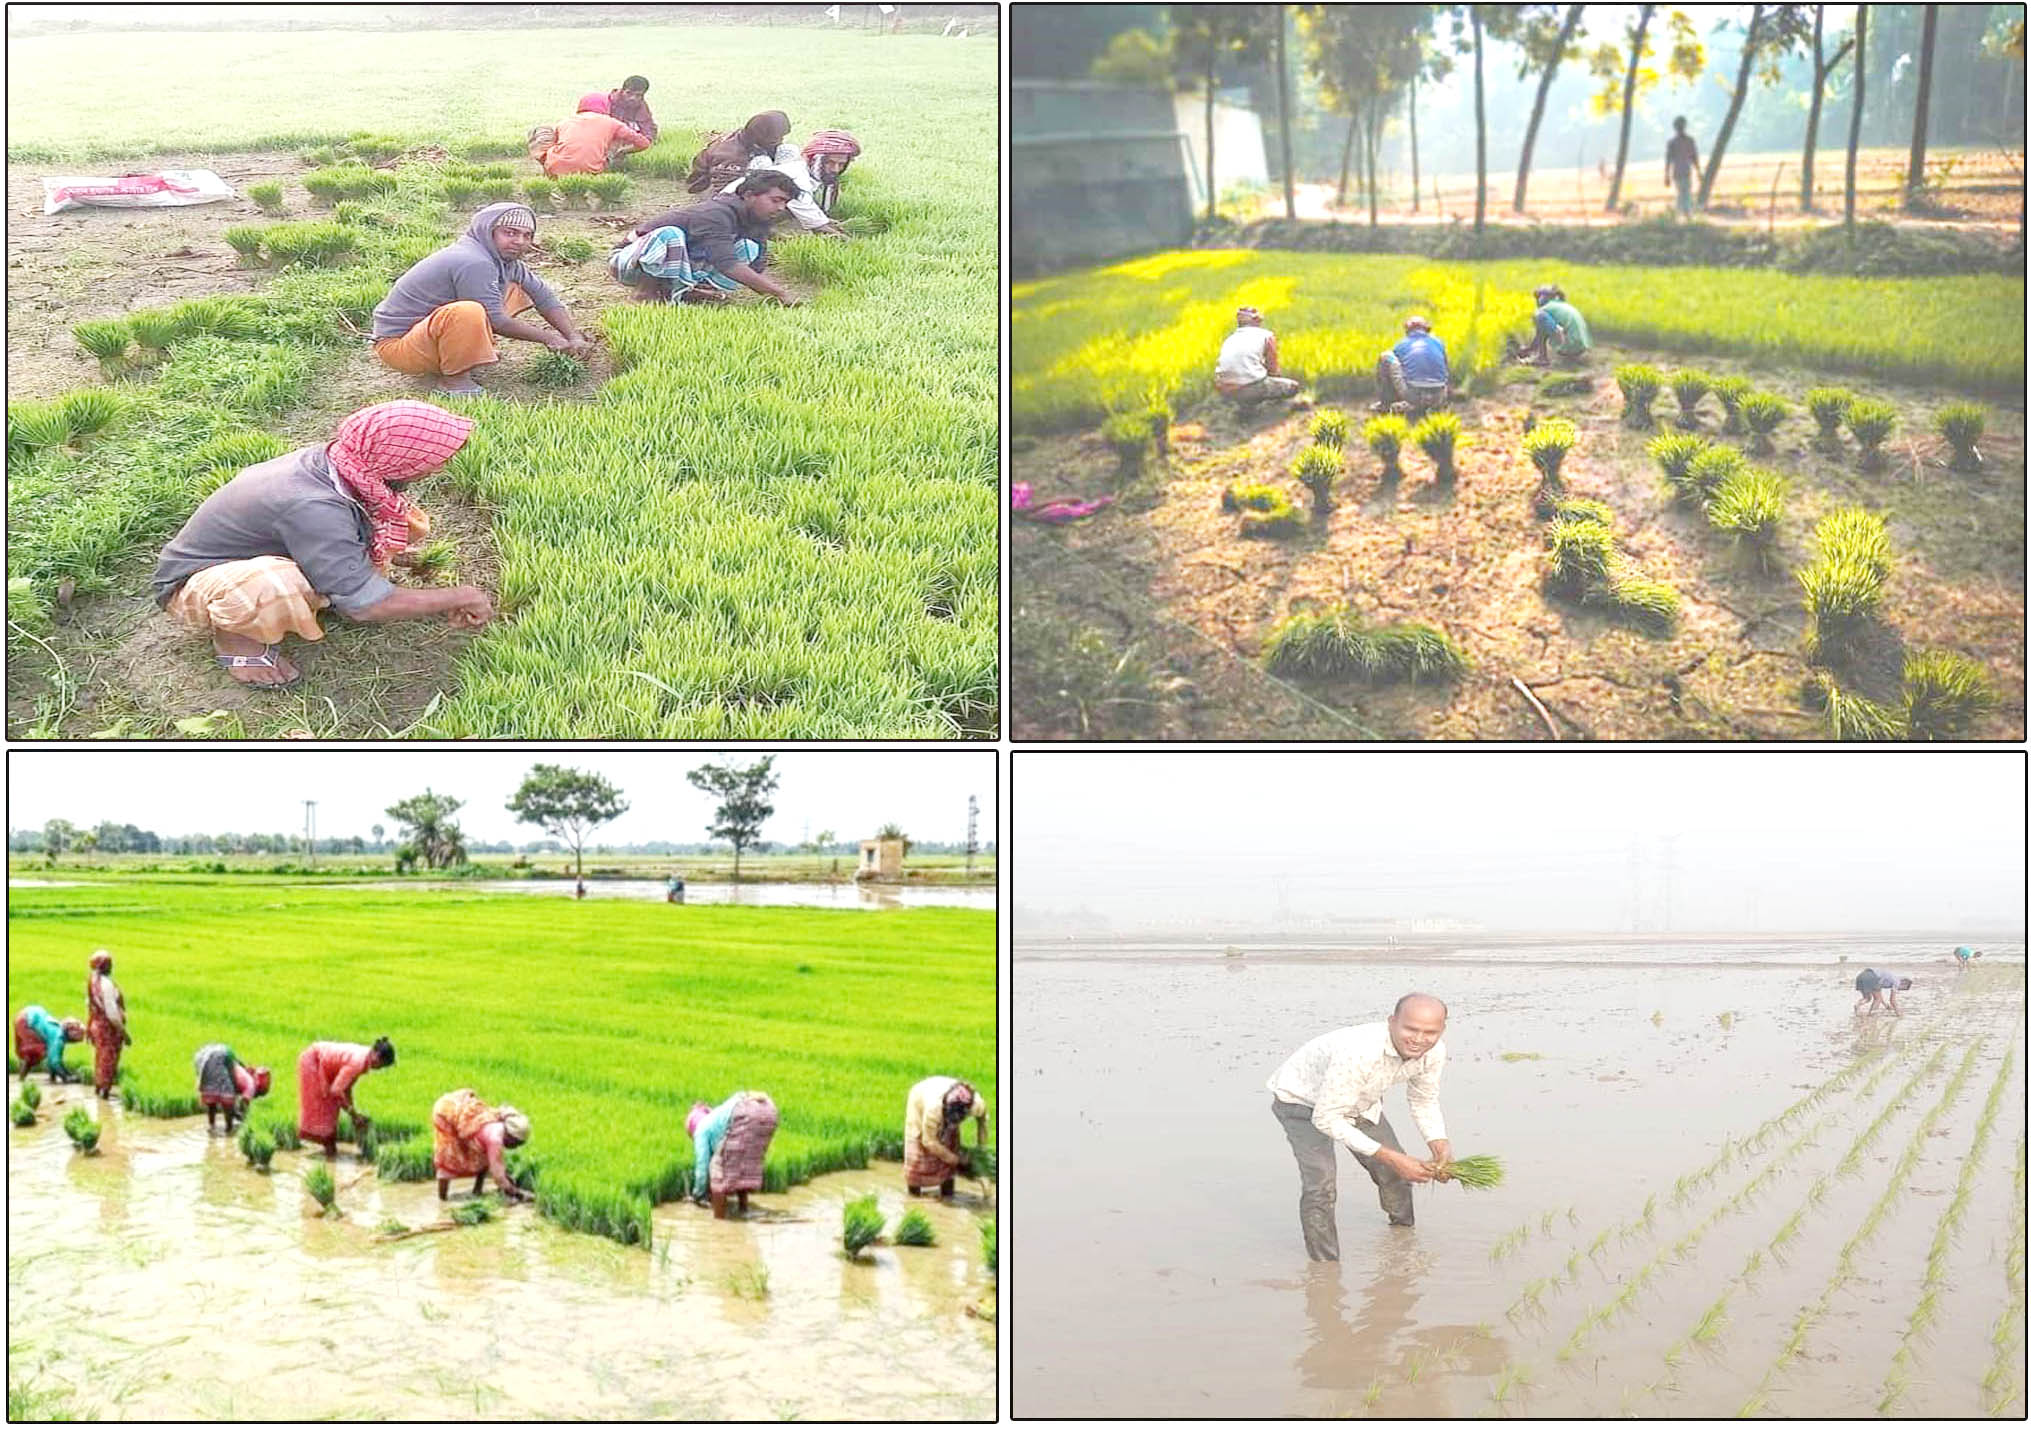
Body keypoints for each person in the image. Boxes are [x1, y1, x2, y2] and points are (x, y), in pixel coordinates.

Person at [153, 401, 496, 689]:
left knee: (405, 522)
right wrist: (460, 596)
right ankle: (235, 639)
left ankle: (321, 588)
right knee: (273, 585)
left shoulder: (344, 462)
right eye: (432, 459)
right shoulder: (312, 505)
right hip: (199, 581)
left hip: (264, 549)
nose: (438, 467)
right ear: (398, 459)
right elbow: (365, 607)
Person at [1267, 993, 1452, 1260]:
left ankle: (1402, 1238)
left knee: (1394, 1172)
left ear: (1441, 1030)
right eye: (1410, 1029)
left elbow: (1423, 1099)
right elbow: (1326, 1118)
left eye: (1430, 1032)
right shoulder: (1360, 1052)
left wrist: (1439, 1143)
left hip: (1359, 1100)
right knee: (1321, 1185)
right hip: (1302, 1103)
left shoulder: (1433, 1051)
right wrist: (1393, 1157)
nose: (1419, 1039)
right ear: (1392, 1022)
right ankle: (1325, 1269)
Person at [373, 202, 593, 395]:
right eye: (510, 232)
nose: (519, 241)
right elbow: (496, 319)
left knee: (517, 289)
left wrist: (573, 336)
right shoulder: (474, 261)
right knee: (469, 311)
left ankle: (469, 352)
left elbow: (544, 296)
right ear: (488, 232)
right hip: (402, 347)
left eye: (527, 235)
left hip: (427, 336)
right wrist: (549, 338)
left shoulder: (507, 263)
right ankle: (455, 381)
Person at [609, 172, 804, 307]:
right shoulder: (716, 213)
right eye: (775, 200)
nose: (780, 208)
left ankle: (690, 291)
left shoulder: (758, 219)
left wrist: (765, 287)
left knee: (747, 247)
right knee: (670, 235)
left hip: (683, 262)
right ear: (749, 195)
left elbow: (756, 266)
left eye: (785, 202)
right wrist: (778, 293)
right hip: (630, 263)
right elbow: (727, 264)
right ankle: (645, 293)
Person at [296, 1036, 395, 1157]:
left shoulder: (365, 1059)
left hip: (324, 1066)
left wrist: (354, 1113)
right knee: (325, 1110)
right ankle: (321, 1152)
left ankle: (329, 1152)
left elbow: (347, 1088)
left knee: (331, 1112)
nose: (379, 1069)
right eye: (382, 1065)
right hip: (313, 1062)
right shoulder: (358, 1062)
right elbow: (336, 1091)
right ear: (377, 1056)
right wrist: (353, 1114)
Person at [687, 1090, 780, 1218]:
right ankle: (743, 1211)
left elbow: (702, 1165)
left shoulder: (701, 1129)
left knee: (717, 1169)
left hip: (745, 1112)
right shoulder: (717, 1119)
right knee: (740, 1165)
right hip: (768, 1109)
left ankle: (719, 1222)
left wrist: (698, 1194)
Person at [431, 1088, 532, 1201]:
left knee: (483, 1158)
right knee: (449, 1157)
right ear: (510, 1136)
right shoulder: (495, 1139)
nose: (515, 1148)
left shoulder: (498, 1125)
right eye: (516, 1143)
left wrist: (505, 1178)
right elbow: (497, 1175)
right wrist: (517, 1193)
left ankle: (477, 1191)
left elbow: (494, 1163)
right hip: (445, 1114)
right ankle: (442, 1200)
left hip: (459, 1115)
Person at [903, 1074, 988, 1197]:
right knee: (918, 1152)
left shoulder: (976, 1105)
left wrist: (981, 1149)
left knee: (950, 1143)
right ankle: (913, 1195)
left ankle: (948, 1194)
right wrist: (956, 1160)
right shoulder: (933, 1109)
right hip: (919, 1101)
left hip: (946, 1100)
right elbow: (929, 1141)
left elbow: (982, 1122)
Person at [536, 93, 651, 178]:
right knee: (615, 138)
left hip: (556, 168)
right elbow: (644, 143)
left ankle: (548, 174)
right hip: (592, 170)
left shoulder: (565, 121)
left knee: (544, 131)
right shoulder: (613, 123)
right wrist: (622, 151)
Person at [1215, 306, 1302, 409]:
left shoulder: (1229, 339)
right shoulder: (1266, 336)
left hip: (1224, 390)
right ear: (1256, 321)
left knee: (1252, 384)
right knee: (1292, 387)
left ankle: (1246, 408)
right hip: (1248, 389)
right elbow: (1273, 370)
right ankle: (1275, 412)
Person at [1373, 315, 1451, 415]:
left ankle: (1386, 403)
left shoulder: (1402, 344)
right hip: (1439, 394)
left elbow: (1395, 369)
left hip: (1413, 394)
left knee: (1386, 356)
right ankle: (1434, 404)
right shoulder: (1438, 342)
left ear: (1408, 330)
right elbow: (1446, 367)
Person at [193, 1043, 271, 1133]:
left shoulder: (241, 1071)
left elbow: (237, 1065)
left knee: (211, 1100)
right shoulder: (251, 1085)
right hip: (220, 1060)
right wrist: (243, 1118)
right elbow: (244, 1103)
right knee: (227, 1101)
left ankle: (211, 1126)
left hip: (205, 1062)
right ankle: (229, 1130)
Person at [84, 950, 130, 1100]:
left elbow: (89, 1005)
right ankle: (104, 1094)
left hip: (96, 1025)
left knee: (100, 1059)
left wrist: (89, 1027)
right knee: (109, 1061)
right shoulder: (106, 984)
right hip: (108, 1028)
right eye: (109, 964)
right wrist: (124, 1033)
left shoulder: (92, 981)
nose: (111, 967)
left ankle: (99, 1090)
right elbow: (112, 1013)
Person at [1517, 285, 1591, 366]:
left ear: (1542, 298)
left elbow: (1541, 330)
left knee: (1539, 317)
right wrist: (1530, 349)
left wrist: (1557, 331)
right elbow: (1540, 334)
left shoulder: (1543, 310)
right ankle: (1544, 355)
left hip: (1570, 346)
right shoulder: (1560, 305)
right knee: (1544, 323)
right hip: (1582, 346)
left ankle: (1542, 358)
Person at [13, 1006, 85, 1084]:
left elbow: (53, 1055)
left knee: (47, 1051)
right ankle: (21, 1080)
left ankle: (49, 1077)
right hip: (26, 1021)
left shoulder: (58, 1031)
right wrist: (66, 1077)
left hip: (28, 1015)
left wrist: (67, 1074)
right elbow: (54, 1062)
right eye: (78, 1033)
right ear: (70, 1031)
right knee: (36, 1053)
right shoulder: (58, 1037)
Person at [1664, 117, 1702, 220]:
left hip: (1686, 172)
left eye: (1682, 126)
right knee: (1683, 194)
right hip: (1678, 172)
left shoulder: (1689, 141)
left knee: (1685, 194)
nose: (1680, 128)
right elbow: (1668, 160)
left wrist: (1698, 171)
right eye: (1679, 126)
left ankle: (1683, 215)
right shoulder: (1673, 143)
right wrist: (1666, 175)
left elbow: (1694, 157)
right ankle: (1684, 215)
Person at [607, 75, 658, 142]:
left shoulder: (641, 105)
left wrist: (647, 140)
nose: (632, 98)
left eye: (638, 95)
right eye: (629, 93)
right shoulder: (609, 101)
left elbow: (648, 127)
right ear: (622, 90)